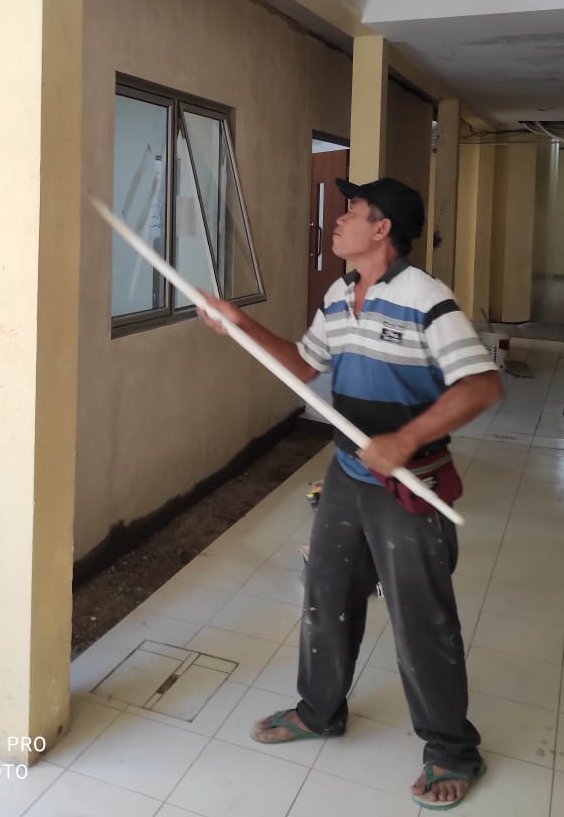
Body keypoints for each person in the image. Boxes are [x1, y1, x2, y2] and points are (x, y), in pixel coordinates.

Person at [198, 176, 503, 810]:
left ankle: (452, 750)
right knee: (327, 596)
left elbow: (482, 385)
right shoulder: (339, 296)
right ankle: (320, 710)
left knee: (421, 619)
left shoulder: (426, 298)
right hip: (347, 475)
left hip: (411, 483)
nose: (338, 220)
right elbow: (304, 365)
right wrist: (241, 325)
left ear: (382, 228)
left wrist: (405, 439)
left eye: (352, 211)